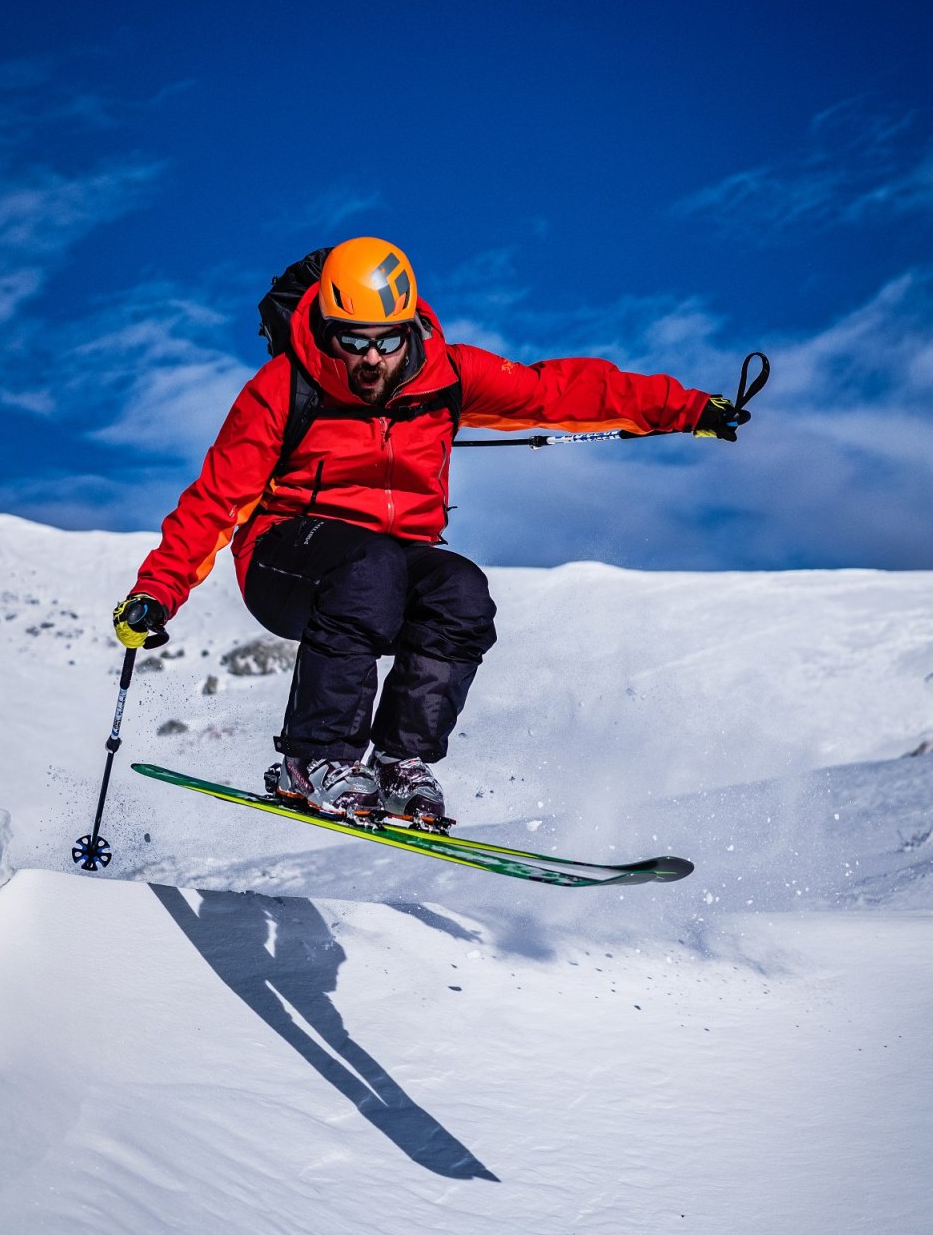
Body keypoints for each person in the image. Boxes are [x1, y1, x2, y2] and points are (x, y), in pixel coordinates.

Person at [114, 237, 748, 825]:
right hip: (286, 561)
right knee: (369, 567)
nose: (370, 359)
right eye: (351, 342)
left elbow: (558, 389)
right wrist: (157, 590)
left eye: (386, 342)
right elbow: (215, 500)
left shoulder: (447, 374)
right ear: (326, 331)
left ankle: (397, 764)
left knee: (460, 592)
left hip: (387, 566)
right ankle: (313, 758)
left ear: (409, 326)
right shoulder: (283, 387)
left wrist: (687, 408)